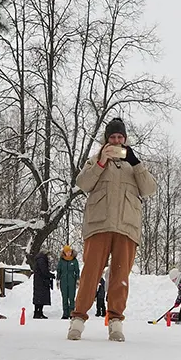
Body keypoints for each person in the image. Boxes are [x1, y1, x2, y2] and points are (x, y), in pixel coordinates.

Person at [68, 118, 157, 342]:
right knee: (90, 274)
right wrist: (100, 162)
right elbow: (83, 183)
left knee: (120, 277)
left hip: (126, 228)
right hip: (99, 226)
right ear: (106, 140)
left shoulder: (133, 166)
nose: (116, 141)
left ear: (125, 140)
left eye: (120, 137)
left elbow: (149, 189)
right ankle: (78, 319)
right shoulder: (96, 161)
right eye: (112, 137)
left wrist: (136, 163)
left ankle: (116, 322)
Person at [57, 245, 81, 320]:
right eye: (67, 252)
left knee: (71, 297)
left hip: (72, 281)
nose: (68, 253)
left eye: (69, 251)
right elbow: (59, 270)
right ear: (64, 252)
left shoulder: (74, 260)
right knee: (64, 297)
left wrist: (77, 279)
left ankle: (71, 313)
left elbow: (77, 270)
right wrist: (58, 280)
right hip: (63, 281)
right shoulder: (61, 260)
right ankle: (65, 313)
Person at [32, 251, 53, 319]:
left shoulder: (40, 259)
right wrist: (50, 275)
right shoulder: (42, 260)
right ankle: (38, 313)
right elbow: (44, 271)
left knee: (39, 297)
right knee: (40, 297)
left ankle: (38, 312)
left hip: (39, 281)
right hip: (41, 281)